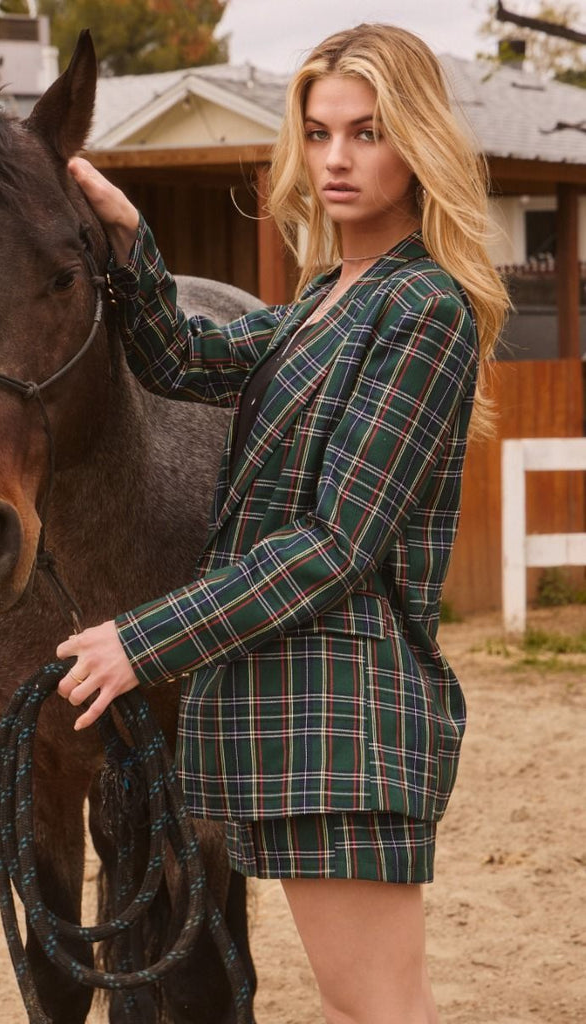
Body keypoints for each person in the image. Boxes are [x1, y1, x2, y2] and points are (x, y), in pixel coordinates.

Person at [57, 23, 508, 1024]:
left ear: (416, 143)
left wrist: (143, 639)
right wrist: (131, 239)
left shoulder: (418, 307)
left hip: (345, 708)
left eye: (367, 132)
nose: (337, 159)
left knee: (378, 1006)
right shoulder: (321, 299)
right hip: (292, 710)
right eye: (317, 131)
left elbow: (336, 544)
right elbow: (181, 359)